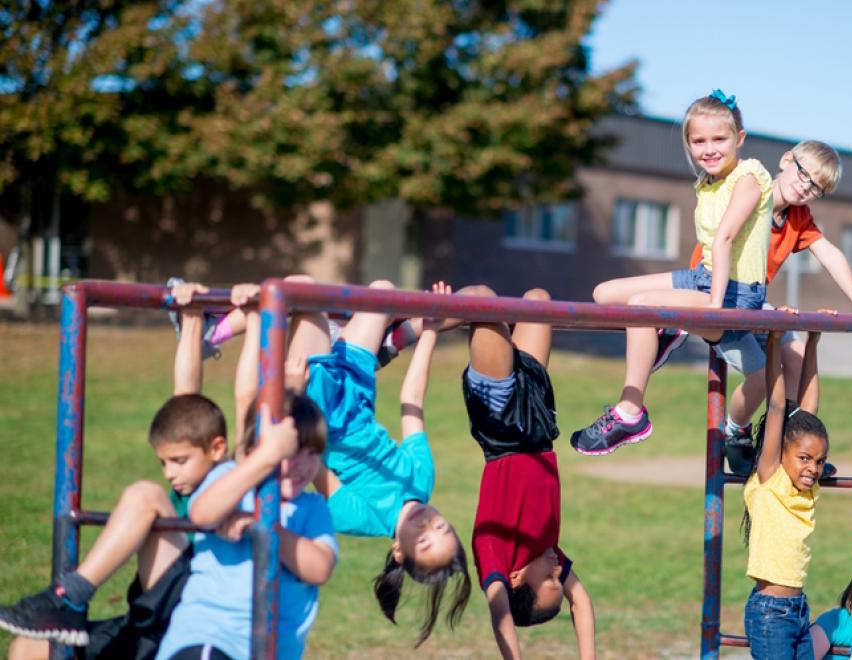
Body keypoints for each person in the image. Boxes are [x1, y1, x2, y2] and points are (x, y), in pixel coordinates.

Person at [0, 282, 236, 659]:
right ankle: (67, 604)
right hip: (148, 622)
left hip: (194, 620)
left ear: (218, 449)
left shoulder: (234, 480)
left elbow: (252, 402)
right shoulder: (184, 486)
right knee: (28, 647)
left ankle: (71, 596)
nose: (171, 472)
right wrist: (192, 321)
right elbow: (184, 406)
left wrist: (257, 318)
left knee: (145, 495)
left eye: (179, 461)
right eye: (166, 462)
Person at [653, 141, 852, 475]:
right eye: (804, 174)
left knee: (797, 357)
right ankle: (737, 431)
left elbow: (830, 254)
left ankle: (789, 442)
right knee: (761, 374)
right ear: (786, 160)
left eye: (817, 187)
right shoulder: (753, 193)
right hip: (716, 296)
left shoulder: (799, 217)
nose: (806, 186)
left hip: (755, 301)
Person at [573, 89, 774, 455]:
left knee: (641, 305)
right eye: (699, 141)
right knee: (603, 293)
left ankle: (631, 412)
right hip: (702, 278)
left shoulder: (749, 176)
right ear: (688, 143)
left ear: (739, 139)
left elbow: (726, 236)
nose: (709, 148)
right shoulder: (707, 184)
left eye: (719, 139)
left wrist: (713, 305)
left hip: (734, 294)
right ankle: (668, 326)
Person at [283, 277, 470, 647]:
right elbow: (412, 398)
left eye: (425, 543)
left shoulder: (362, 519)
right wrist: (431, 328)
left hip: (315, 399)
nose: (429, 527)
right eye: (443, 529)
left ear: (399, 552)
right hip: (358, 386)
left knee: (301, 289)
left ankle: (218, 330)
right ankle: (378, 338)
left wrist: (292, 389)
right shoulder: (423, 480)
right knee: (381, 288)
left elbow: (311, 456)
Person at [454, 284, 596, 658]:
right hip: (538, 419)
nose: (558, 571)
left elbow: (499, 613)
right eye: (558, 579)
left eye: (549, 579)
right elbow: (581, 602)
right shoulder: (549, 553)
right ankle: (429, 318)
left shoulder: (494, 553)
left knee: (484, 299)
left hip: (501, 421)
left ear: (515, 578)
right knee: (537, 299)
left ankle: (418, 325)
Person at [155, 395, 337, 660]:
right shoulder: (232, 479)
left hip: (272, 651)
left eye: (313, 454)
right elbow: (202, 514)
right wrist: (267, 457)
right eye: (293, 452)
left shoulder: (312, 508)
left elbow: (319, 568)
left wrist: (261, 525)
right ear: (257, 450)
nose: (304, 466)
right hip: (211, 636)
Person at [741, 323, 828, 659]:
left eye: (820, 462)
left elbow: (808, 411)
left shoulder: (803, 490)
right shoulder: (770, 480)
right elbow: (777, 407)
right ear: (781, 455)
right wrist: (774, 342)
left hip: (798, 610)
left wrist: (813, 342)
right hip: (770, 613)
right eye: (805, 459)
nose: (813, 468)